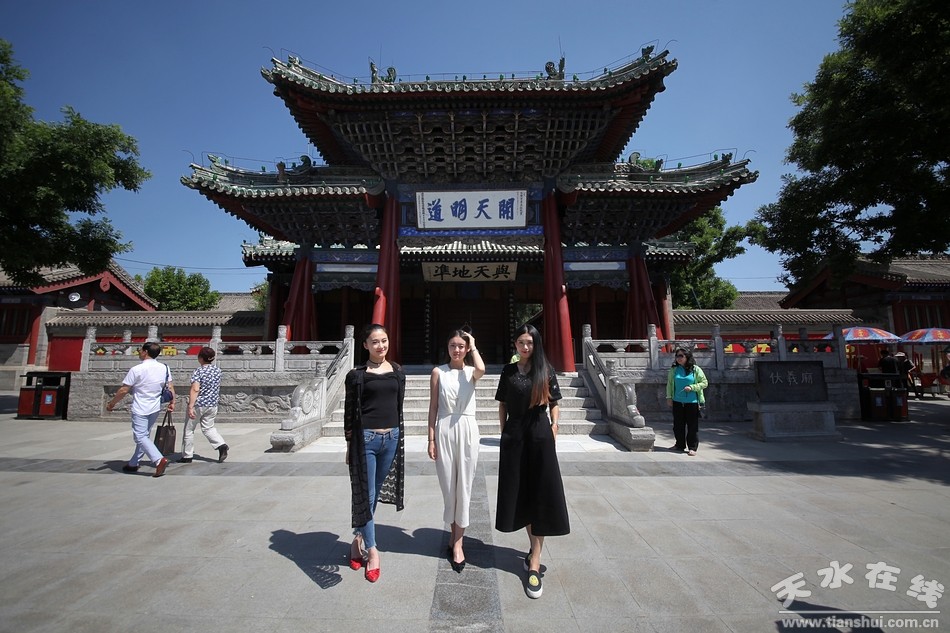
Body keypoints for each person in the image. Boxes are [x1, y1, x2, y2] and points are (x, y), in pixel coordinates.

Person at [495, 324, 569, 599]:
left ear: (536, 344)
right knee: (522, 493)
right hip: (515, 435)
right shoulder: (508, 371)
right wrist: (504, 431)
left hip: (540, 433)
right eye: (521, 342)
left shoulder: (545, 370)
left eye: (530, 343)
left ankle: (535, 561)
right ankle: (533, 550)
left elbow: (555, 402)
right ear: (515, 344)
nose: (525, 347)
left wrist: (555, 426)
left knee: (540, 492)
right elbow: (502, 403)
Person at [344, 324, 406, 583]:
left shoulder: (398, 372)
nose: (381, 346)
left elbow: (398, 407)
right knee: (367, 494)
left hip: (390, 439)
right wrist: (349, 444)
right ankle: (372, 550)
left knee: (374, 493)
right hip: (366, 440)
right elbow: (349, 413)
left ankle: (357, 539)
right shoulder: (356, 375)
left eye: (384, 340)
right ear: (365, 345)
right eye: (375, 342)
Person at [427, 328, 486, 573]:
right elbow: (433, 407)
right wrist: (431, 439)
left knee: (464, 487)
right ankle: (453, 537)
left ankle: (458, 543)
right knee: (449, 487)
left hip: (467, 429)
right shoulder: (438, 372)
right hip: (444, 429)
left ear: (467, 348)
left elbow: (482, 368)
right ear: (447, 347)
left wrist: (473, 344)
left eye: (461, 346)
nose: (457, 350)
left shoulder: (471, 372)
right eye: (453, 345)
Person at [105, 341, 175, 477]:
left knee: (140, 436)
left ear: (145, 352)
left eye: (140, 350)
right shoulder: (164, 368)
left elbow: (124, 390)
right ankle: (134, 463)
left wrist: (112, 403)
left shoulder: (137, 369)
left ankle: (159, 460)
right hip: (155, 406)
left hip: (141, 407)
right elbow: (170, 386)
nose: (139, 352)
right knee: (144, 436)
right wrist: (173, 402)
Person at [180, 346, 229, 464]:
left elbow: (195, 389)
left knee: (189, 430)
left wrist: (190, 406)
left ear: (200, 358)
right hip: (212, 404)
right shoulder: (217, 370)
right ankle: (221, 445)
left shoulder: (199, 371)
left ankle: (187, 455)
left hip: (199, 404)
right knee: (208, 428)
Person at [665, 347, 708, 457]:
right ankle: (679, 444)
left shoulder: (695, 369)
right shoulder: (674, 369)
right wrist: (669, 397)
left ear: (687, 357)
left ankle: (692, 447)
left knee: (692, 426)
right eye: (677, 356)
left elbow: (704, 383)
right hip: (677, 401)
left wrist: (692, 387)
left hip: (692, 402)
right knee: (678, 425)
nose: (678, 358)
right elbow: (669, 384)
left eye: (681, 356)